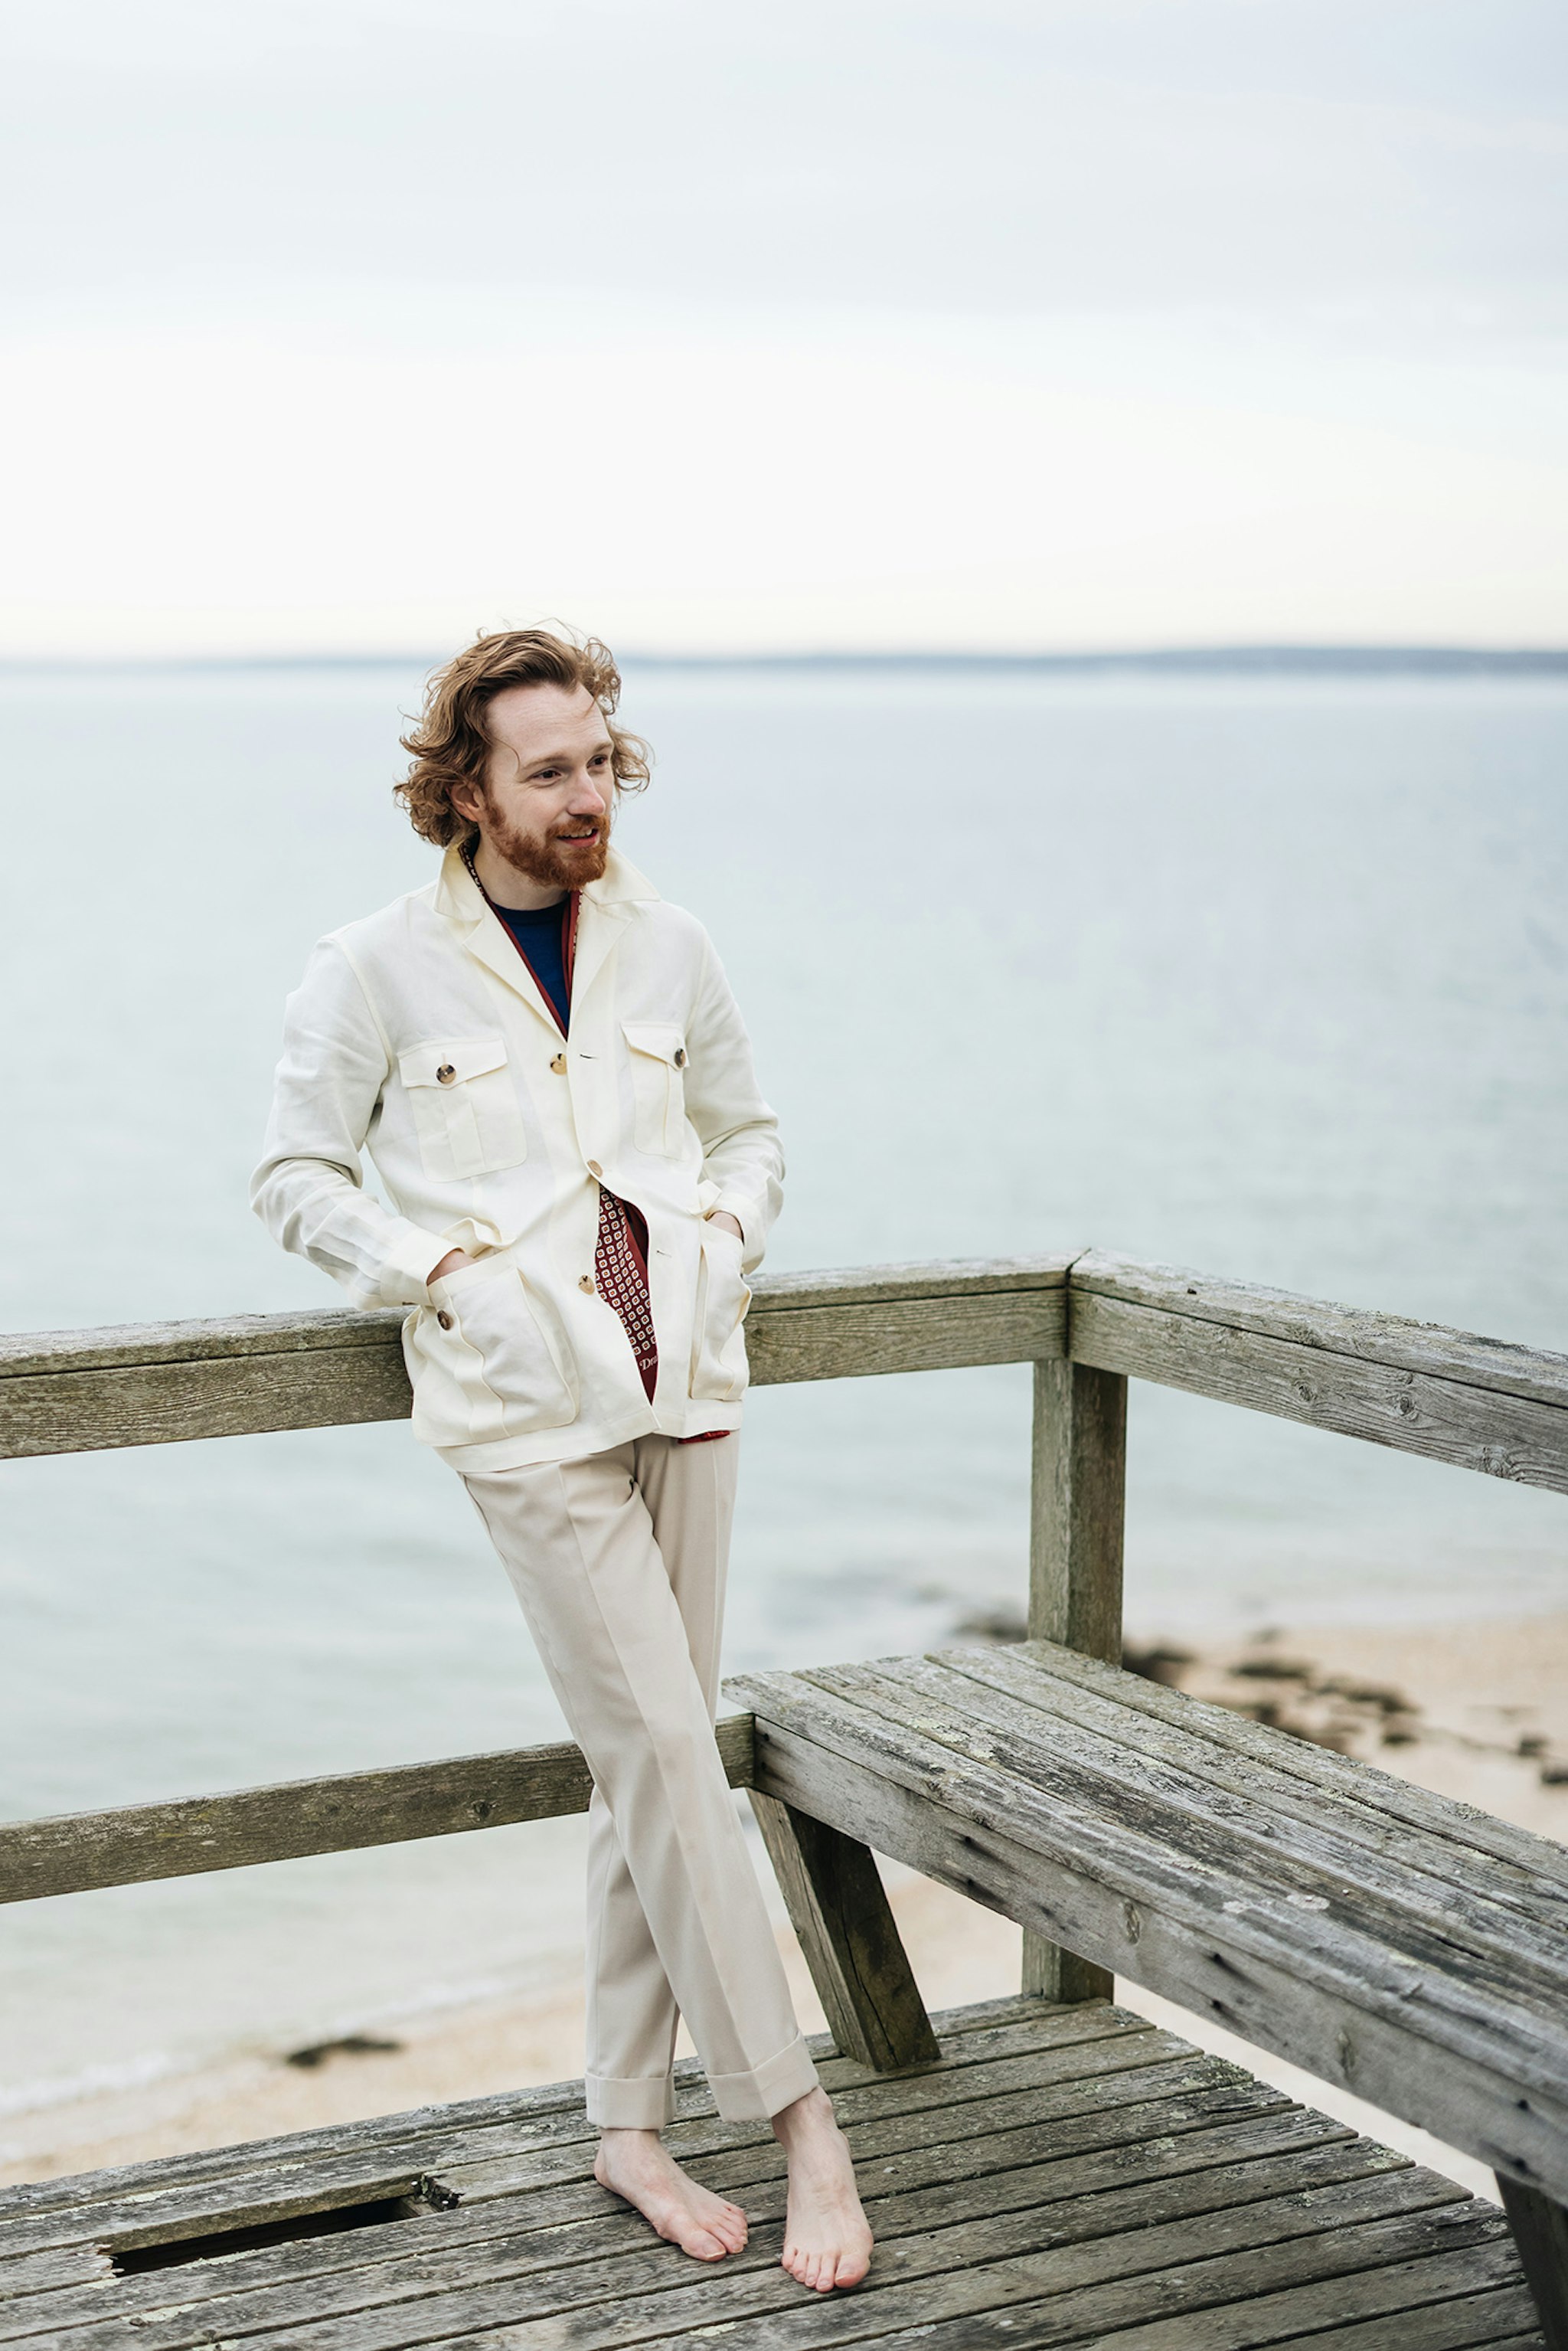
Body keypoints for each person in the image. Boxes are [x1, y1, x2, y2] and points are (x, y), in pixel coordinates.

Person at [252, 626, 873, 2293]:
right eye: (549, 771)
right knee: (669, 1746)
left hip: (690, 1383)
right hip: (525, 1414)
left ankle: (627, 2121)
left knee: (639, 1766)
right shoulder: (372, 966)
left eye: (601, 761)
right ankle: (802, 2118)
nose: (588, 794)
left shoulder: (673, 941)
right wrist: (440, 1274)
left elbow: (750, 1132)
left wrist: (726, 1235)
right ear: (467, 791)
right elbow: (295, 1174)